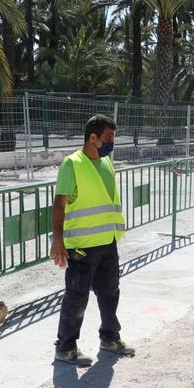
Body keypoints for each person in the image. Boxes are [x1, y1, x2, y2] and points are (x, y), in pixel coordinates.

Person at [50, 115, 135, 367]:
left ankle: (110, 338)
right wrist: (58, 240)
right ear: (93, 137)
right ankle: (65, 347)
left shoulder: (108, 163)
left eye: (113, 138)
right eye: (107, 138)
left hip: (107, 240)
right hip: (81, 245)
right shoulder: (72, 164)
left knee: (110, 293)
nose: (111, 143)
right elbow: (59, 204)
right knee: (77, 297)